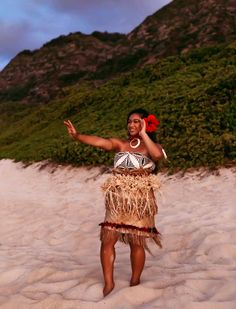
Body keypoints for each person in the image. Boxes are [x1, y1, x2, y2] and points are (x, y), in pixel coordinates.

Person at [64, 108, 166, 297]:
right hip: (118, 198)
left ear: (145, 123)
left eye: (136, 121)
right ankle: (109, 284)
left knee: (137, 241)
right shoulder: (121, 144)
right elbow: (101, 142)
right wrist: (77, 136)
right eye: (129, 121)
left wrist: (144, 134)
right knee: (108, 239)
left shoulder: (152, 146)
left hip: (140, 199)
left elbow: (158, 156)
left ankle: (135, 281)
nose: (131, 124)